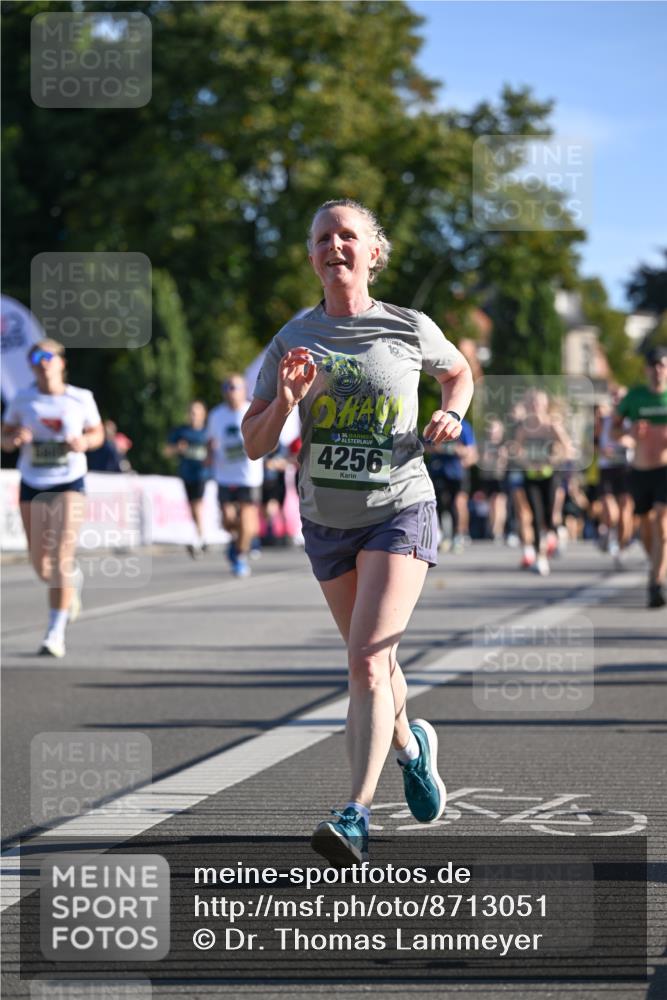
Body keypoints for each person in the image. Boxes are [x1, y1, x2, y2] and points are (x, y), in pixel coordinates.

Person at [242, 199, 473, 865]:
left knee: (367, 660)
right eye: (322, 238)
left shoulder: (407, 326)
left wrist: (452, 412)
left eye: (347, 236)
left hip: (399, 506)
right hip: (326, 520)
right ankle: (410, 747)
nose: (333, 246)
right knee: (375, 663)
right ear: (311, 256)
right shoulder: (293, 338)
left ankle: (355, 813)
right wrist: (286, 402)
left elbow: (457, 371)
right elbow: (254, 442)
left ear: (374, 253)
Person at [1, 339, 104, 657]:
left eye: (48, 356)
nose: (42, 362)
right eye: (36, 357)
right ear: (31, 366)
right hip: (33, 482)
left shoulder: (80, 398)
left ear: (61, 362)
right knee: (41, 566)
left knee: (61, 556)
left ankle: (55, 632)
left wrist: (84, 442)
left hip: (69, 481)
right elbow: (4, 437)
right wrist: (14, 439)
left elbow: (98, 434)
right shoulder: (22, 399)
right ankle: (71, 582)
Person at [615, 346, 667, 608]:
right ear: (646, 369)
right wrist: (630, 434)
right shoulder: (635, 397)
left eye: (662, 365)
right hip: (639, 471)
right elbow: (613, 430)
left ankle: (655, 583)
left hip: (665, 470)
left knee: (662, 523)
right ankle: (656, 562)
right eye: (653, 365)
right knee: (646, 528)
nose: (658, 370)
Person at [208, 375, 263, 578]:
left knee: (247, 520)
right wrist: (208, 456)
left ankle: (240, 555)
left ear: (244, 389)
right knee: (228, 519)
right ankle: (237, 540)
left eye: (234, 387)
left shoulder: (252, 411)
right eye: (227, 387)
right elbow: (210, 440)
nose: (230, 391)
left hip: (249, 476)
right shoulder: (216, 415)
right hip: (224, 475)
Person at [515, 389, 571, 576]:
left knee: (549, 515)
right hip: (531, 476)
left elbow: (567, 449)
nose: (535, 406)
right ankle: (541, 557)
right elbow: (517, 451)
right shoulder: (524, 428)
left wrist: (552, 461)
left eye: (538, 403)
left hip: (550, 475)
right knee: (536, 516)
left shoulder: (552, 426)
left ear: (545, 405)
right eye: (532, 403)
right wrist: (528, 463)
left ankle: (557, 531)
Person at [165, 400, 210, 558]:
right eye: (191, 413)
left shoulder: (208, 432)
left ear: (203, 415)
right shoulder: (181, 432)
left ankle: (200, 538)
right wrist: (177, 448)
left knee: (197, 504)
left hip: (203, 474)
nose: (193, 416)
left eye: (196, 413)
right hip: (186, 474)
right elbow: (166, 451)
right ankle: (201, 537)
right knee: (192, 507)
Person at [425, 417, 477, 553]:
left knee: (458, 504)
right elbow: (425, 446)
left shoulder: (464, 426)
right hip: (439, 471)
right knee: (440, 504)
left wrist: (457, 450)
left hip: (457, 473)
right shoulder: (437, 422)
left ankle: (459, 534)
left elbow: (471, 452)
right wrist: (438, 448)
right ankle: (442, 534)